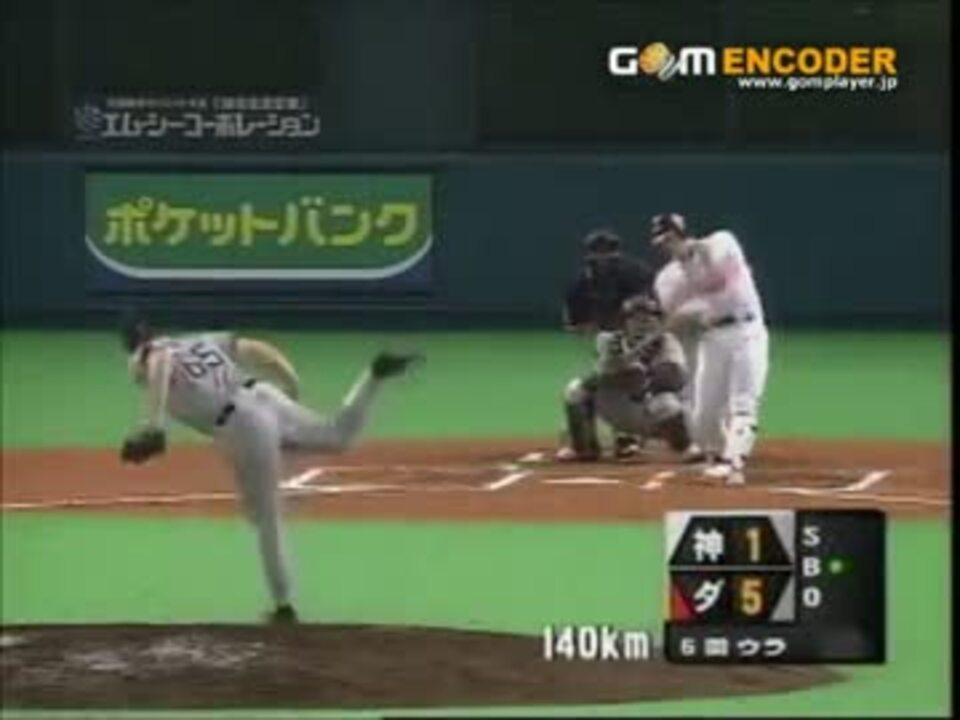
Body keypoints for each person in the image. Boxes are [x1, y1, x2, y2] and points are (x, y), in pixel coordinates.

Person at [118, 312, 421, 622]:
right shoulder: (198, 341)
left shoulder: (147, 355)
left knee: (266, 518)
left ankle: (283, 607)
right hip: (264, 395)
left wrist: (153, 426)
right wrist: (290, 380)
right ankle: (373, 376)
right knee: (337, 436)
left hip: (241, 425)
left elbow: (160, 361)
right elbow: (256, 349)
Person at [649, 213, 769, 485]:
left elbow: (724, 280)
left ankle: (734, 464)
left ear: (682, 234)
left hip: (747, 331)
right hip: (712, 338)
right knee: (703, 413)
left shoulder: (722, 242)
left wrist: (698, 258)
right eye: (662, 242)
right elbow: (673, 316)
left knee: (743, 403)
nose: (668, 245)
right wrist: (673, 321)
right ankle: (718, 458)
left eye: (671, 238)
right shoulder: (668, 279)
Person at [559, 294, 692, 461]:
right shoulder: (608, 341)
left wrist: (646, 380)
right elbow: (596, 379)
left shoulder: (667, 341)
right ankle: (585, 448)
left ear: (658, 322)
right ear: (624, 323)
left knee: (665, 403)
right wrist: (623, 371)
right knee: (575, 390)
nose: (643, 324)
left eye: (649, 319)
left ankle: (685, 447)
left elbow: (674, 379)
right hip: (620, 408)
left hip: (655, 414)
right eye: (636, 319)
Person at [561, 228, 655, 458]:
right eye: (598, 253)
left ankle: (627, 436)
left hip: (639, 342)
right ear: (589, 255)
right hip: (604, 340)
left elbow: (651, 310)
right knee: (580, 391)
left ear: (617, 253)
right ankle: (584, 443)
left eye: (608, 252)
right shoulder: (580, 284)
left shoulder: (636, 273)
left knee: (633, 385)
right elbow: (576, 325)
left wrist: (634, 336)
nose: (603, 258)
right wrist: (600, 337)